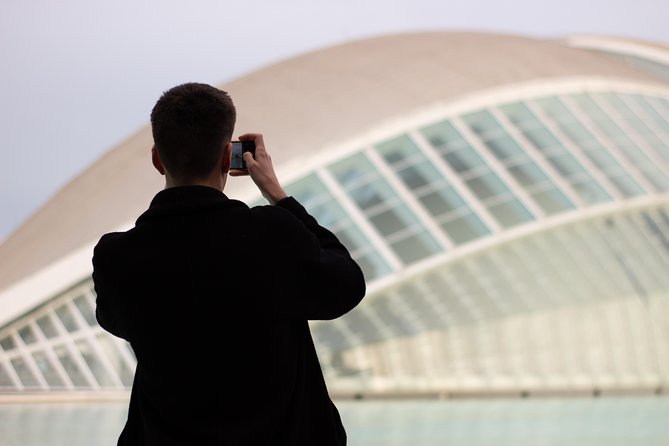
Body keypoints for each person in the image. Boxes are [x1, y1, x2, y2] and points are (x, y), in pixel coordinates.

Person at [92, 82, 366, 445]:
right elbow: (346, 286)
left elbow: (116, 320)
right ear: (228, 158)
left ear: (158, 159)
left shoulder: (116, 257)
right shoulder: (272, 235)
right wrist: (278, 195)